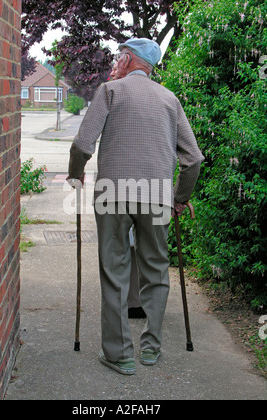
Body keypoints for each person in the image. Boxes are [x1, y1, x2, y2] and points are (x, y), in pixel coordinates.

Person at [68, 38, 204, 375]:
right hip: (157, 194)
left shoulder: (109, 91)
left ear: (128, 60)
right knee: (156, 270)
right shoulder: (170, 99)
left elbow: (83, 144)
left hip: (113, 192)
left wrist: (75, 176)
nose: (115, 63)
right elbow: (194, 159)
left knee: (114, 272)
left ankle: (119, 355)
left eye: (118, 58)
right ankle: (150, 349)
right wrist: (180, 198)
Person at [110, 60, 146, 320]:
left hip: (129, 186)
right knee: (137, 247)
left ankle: (134, 301)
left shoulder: (115, 94)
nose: (112, 71)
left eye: (116, 65)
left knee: (128, 248)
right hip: (146, 187)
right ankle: (136, 300)